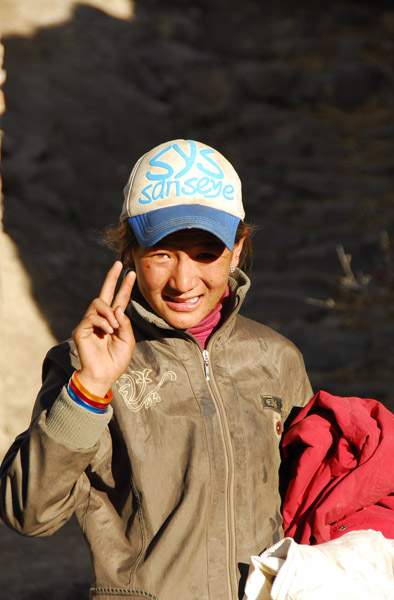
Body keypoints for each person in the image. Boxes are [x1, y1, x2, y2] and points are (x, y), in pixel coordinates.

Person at [0, 139, 313, 600]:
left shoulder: (275, 358)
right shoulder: (86, 364)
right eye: (162, 253)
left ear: (238, 247)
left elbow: (308, 503)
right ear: (129, 250)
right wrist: (90, 390)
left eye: (205, 253)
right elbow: (30, 515)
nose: (183, 281)